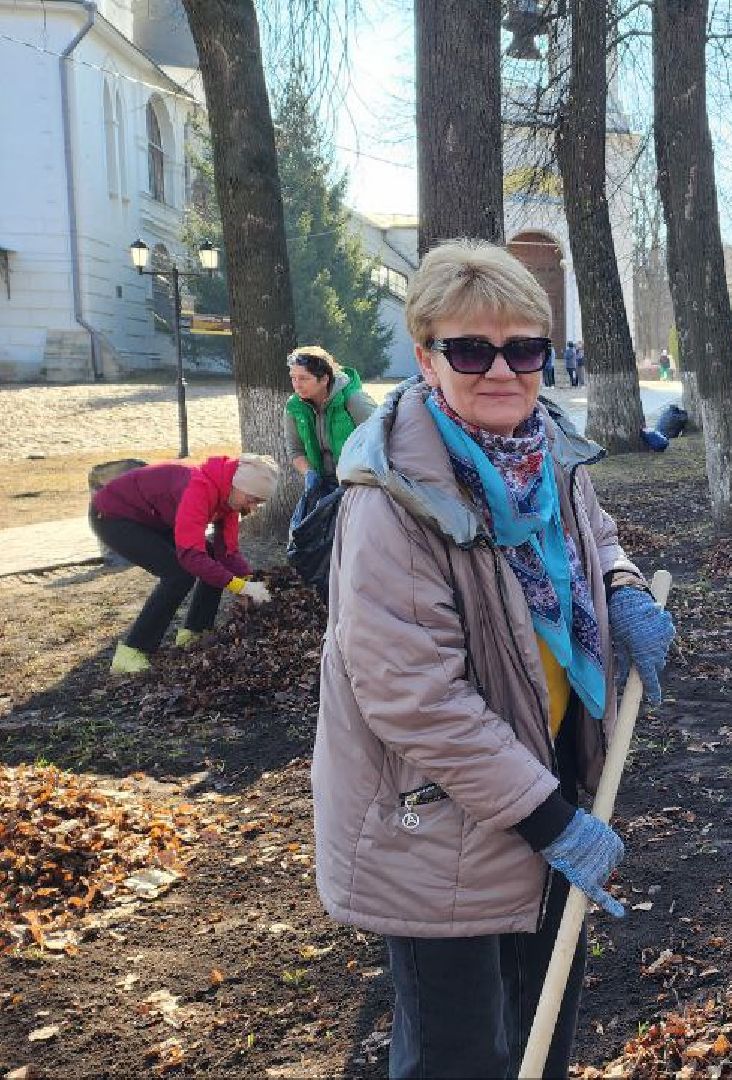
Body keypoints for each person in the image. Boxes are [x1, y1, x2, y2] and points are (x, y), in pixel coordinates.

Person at [313, 239, 676, 1080]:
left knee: (540, 1033)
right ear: (425, 356)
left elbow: (593, 538)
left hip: (546, 769)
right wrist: (549, 821)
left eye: (524, 347)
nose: (502, 369)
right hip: (436, 813)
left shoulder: (547, 449)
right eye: (472, 349)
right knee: (461, 1057)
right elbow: (414, 698)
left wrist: (621, 591)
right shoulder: (394, 501)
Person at [88, 453, 280, 674]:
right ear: (239, 485)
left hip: (152, 517)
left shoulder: (229, 499)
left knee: (212, 560)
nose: (253, 507)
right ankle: (131, 652)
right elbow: (190, 555)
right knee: (178, 574)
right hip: (113, 515)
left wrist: (248, 581)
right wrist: (239, 586)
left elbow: (226, 552)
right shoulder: (198, 488)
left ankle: (194, 633)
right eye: (253, 499)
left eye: (259, 503)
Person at [285, 346, 376, 483]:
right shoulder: (294, 407)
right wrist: (310, 474)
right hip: (322, 482)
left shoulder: (355, 401)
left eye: (303, 378)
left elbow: (380, 443)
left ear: (324, 379)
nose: (296, 385)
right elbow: (296, 450)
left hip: (360, 483)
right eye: (293, 378)